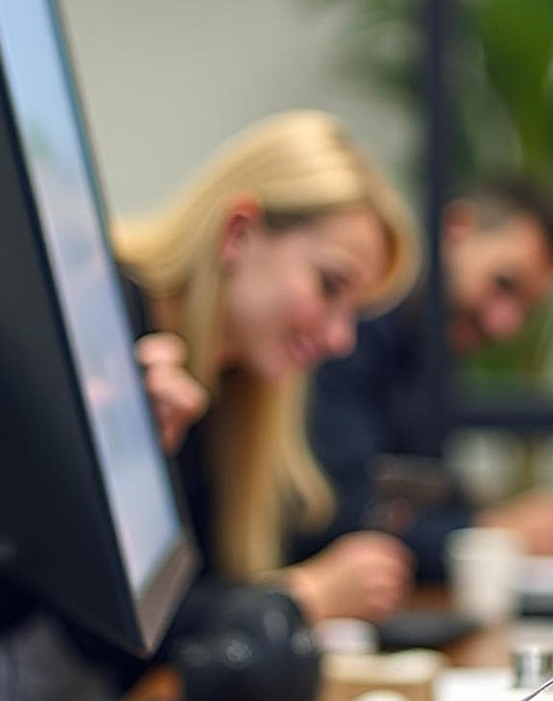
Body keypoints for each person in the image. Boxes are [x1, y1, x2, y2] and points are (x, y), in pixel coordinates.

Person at [111, 110, 421, 630]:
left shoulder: (236, 383)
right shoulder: (107, 327)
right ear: (238, 233)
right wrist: (308, 595)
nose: (340, 339)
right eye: (329, 286)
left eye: (355, 312)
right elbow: (119, 627)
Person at [306, 173, 553, 579]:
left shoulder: (432, 357)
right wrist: (494, 535)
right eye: (503, 284)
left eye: (527, 309)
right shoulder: (349, 334)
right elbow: (348, 516)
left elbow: (423, 498)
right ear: (456, 229)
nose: (505, 324)